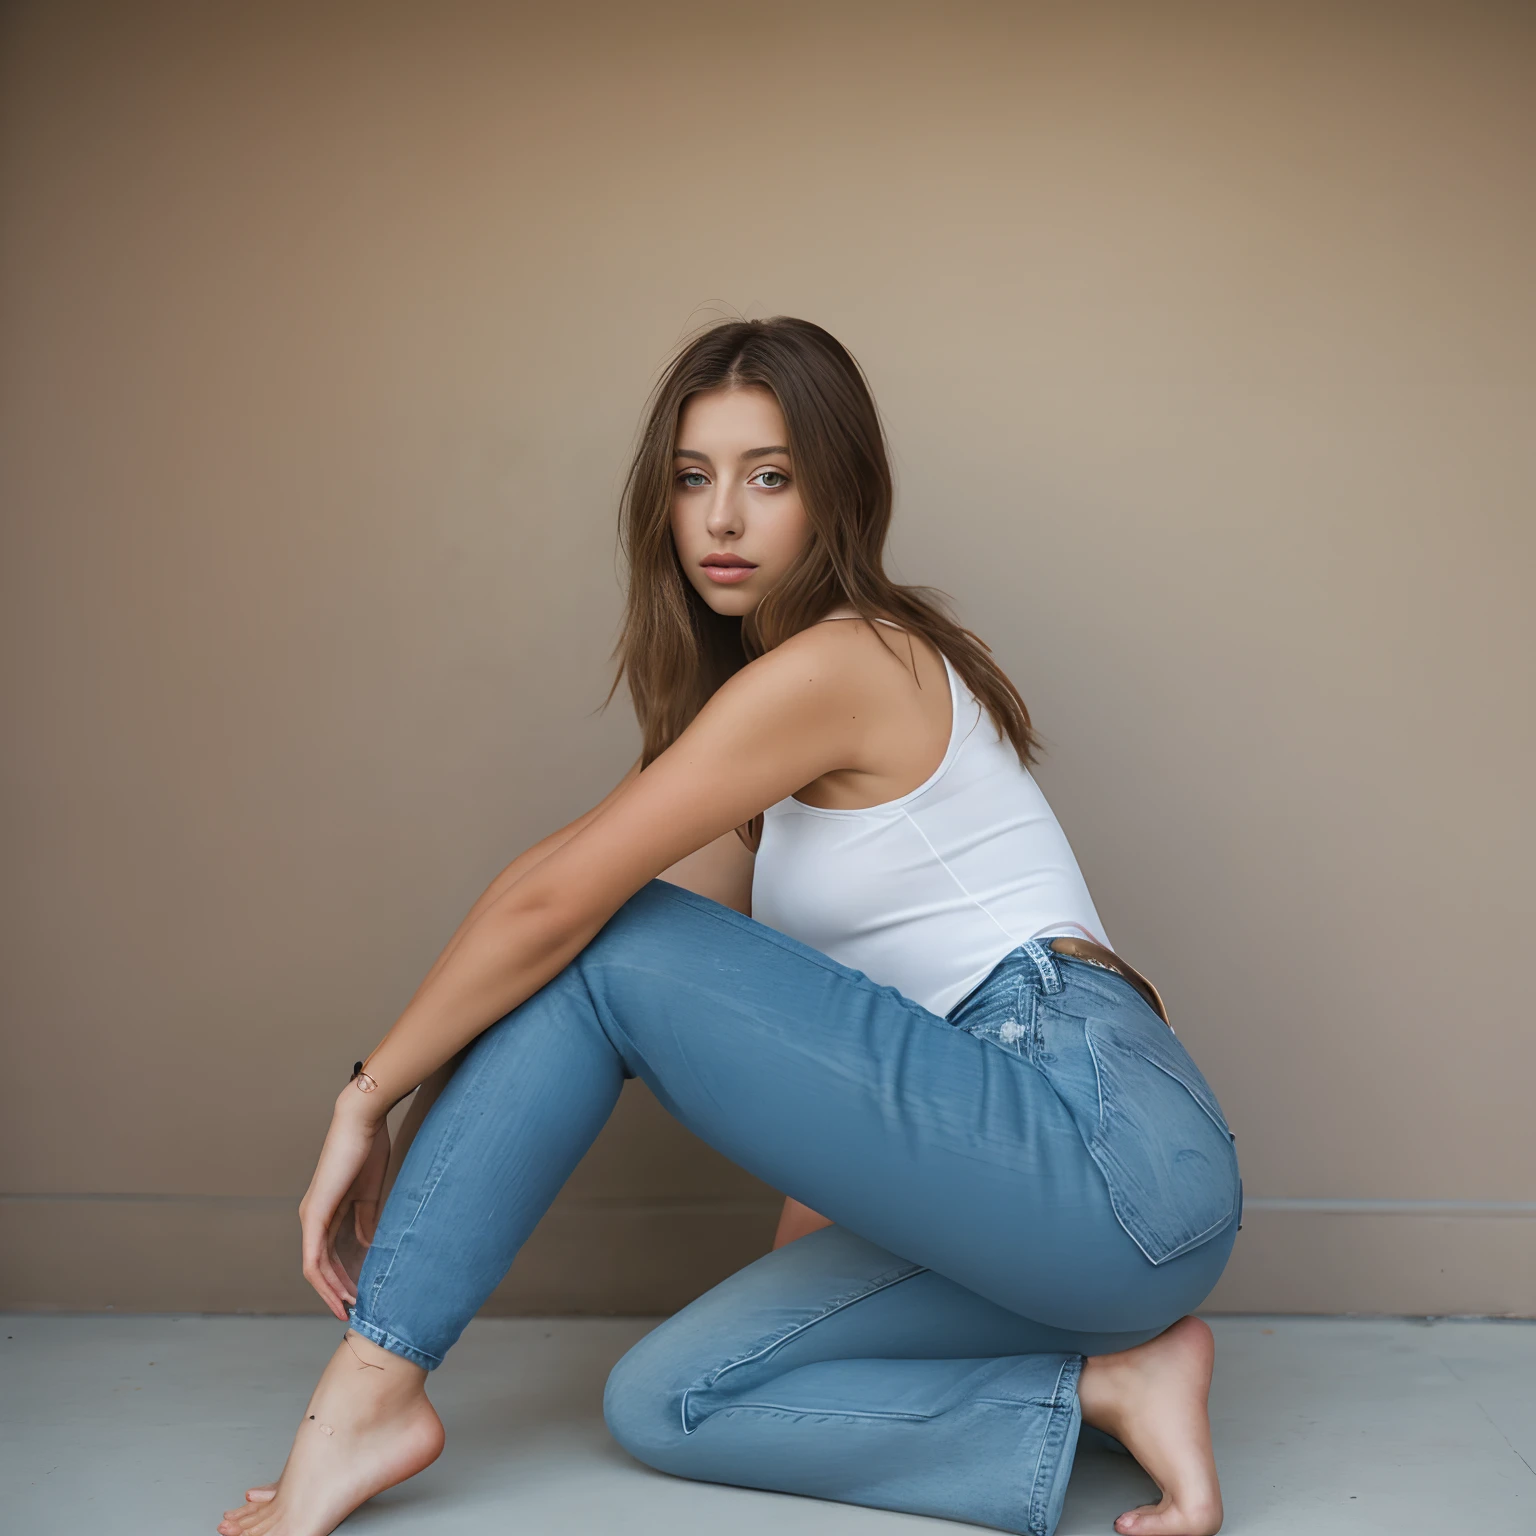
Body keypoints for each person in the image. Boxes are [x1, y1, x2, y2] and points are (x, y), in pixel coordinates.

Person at [217, 316, 1241, 1536]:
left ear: (838, 495)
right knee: (673, 1400)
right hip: (1054, 1213)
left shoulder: (853, 662)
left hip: (1100, 1146)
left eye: (770, 478)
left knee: (609, 928)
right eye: (694, 479)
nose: (722, 519)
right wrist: (784, 1310)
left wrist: (368, 1094)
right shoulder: (771, 804)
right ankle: (1110, 1384)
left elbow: (557, 900)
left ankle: (369, 1398)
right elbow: (825, 1092)